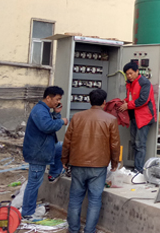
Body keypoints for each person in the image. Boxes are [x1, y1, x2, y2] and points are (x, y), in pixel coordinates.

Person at [62, 89, 120, 233]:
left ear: (89, 101)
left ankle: (73, 229)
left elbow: (67, 141)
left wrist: (64, 159)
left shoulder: (77, 117)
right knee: (95, 199)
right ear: (104, 102)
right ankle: (89, 230)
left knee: (75, 198)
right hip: (99, 165)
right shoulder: (111, 119)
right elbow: (114, 144)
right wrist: (114, 163)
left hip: (77, 163)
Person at [22, 86, 68, 221]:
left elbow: (49, 122)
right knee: (34, 183)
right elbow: (47, 127)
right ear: (48, 98)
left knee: (61, 147)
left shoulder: (45, 110)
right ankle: (27, 213)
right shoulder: (39, 110)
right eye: (57, 99)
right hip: (37, 153)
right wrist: (62, 121)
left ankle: (53, 174)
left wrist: (56, 114)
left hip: (43, 148)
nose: (58, 102)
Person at [117, 62, 157, 174]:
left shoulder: (144, 82)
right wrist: (124, 102)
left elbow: (143, 100)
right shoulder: (129, 83)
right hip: (135, 117)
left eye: (131, 73)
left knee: (140, 144)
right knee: (135, 143)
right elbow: (130, 98)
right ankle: (136, 167)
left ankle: (138, 169)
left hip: (144, 117)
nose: (129, 76)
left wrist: (127, 105)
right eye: (127, 74)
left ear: (137, 72)